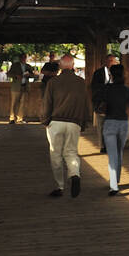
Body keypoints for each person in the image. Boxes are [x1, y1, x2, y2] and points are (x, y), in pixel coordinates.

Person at [40, 54, 89, 198]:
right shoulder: (81, 82)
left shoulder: (53, 82)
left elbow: (47, 103)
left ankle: (60, 186)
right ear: (73, 66)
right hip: (74, 122)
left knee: (56, 154)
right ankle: (74, 174)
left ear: (61, 66)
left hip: (56, 122)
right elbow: (85, 104)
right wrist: (83, 123)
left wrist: (45, 120)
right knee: (71, 152)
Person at [99, 65, 129, 196]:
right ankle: (116, 179)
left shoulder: (106, 89)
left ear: (111, 75)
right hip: (123, 124)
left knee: (112, 155)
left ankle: (114, 185)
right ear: (123, 75)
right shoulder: (127, 90)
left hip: (109, 124)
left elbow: (100, 106)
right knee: (119, 153)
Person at [90, 53, 118, 153]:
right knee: (102, 125)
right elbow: (94, 88)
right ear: (105, 62)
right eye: (110, 61)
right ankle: (103, 146)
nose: (112, 63)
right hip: (101, 103)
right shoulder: (98, 73)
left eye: (114, 61)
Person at [7, 54, 36, 124]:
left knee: (22, 103)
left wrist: (29, 75)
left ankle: (20, 118)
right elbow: (8, 74)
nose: (23, 58)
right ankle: (12, 118)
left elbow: (33, 75)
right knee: (14, 103)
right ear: (19, 58)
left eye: (25, 57)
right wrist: (16, 76)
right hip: (16, 87)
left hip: (25, 86)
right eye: (22, 57)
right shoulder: (15, 65)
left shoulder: (28, 66)